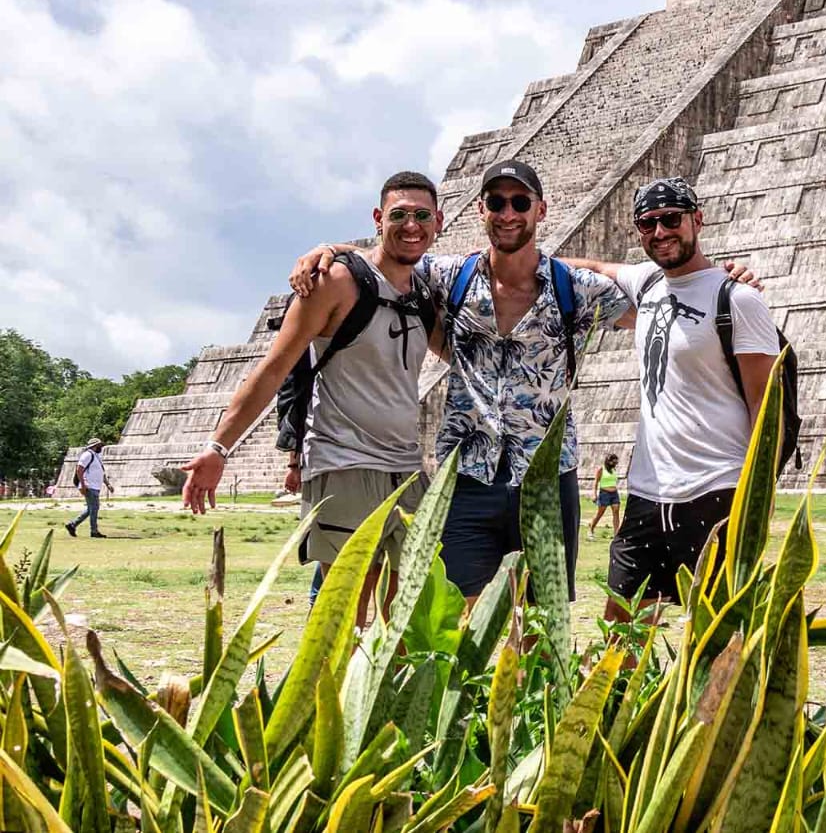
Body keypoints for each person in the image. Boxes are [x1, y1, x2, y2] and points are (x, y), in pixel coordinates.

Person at [293, 160, 633, 604]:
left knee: (541, 622)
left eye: (519, 202)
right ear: (481, 210)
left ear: (541, 210)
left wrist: (713, 281)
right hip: (467, 476)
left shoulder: (577, 288)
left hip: (547, 477)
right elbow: (388, 257)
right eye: (496, 202)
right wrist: (331, 251)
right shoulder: (449, 276)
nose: (507, 213)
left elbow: (658, 307)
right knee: (452, 619)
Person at [180, 171, 443, 628]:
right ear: (379, 219)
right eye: (399, 215)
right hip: (344, 463)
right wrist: (218, 447)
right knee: (344, 617)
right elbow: (274, 367)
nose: (411, 225)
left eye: (422, 215)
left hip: (406, 468)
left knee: (408, 616)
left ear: (438, 221)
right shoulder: (337, 281)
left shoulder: (426, 292)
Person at [567, 177, 780, 623]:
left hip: (716, 490)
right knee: (620, 632)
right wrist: (513, 258)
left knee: (716, 635)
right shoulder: (646, 284)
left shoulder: (739, 299)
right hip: (647, 492)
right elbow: (588, 269)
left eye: (671, 219)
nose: (660, 232)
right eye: (648, 223)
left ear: (696, 220)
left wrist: (760, 498)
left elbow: (766, 409)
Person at [67, 437, 113, 538]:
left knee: (90, 509)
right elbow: (79, 469)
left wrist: (107, 484)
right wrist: (83, 485)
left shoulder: (96, 456)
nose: (101, 447)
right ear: (95, 446)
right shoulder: (87, 455)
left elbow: (101, 472)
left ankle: (72, 525)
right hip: (89, 486)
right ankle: (94, 531)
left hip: (95, 486)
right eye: (100, 445)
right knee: (94, 508)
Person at [588, 453, 622, 539]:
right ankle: (591, 529)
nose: (615, 463)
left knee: (616, 511)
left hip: (614, 493)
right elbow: (596, 482)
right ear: (608, 461)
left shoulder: (614, 470)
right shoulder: (601, 469)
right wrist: (594, 494)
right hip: (604, 493)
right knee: (600, 513)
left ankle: (616, 534)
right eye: (613, 461)